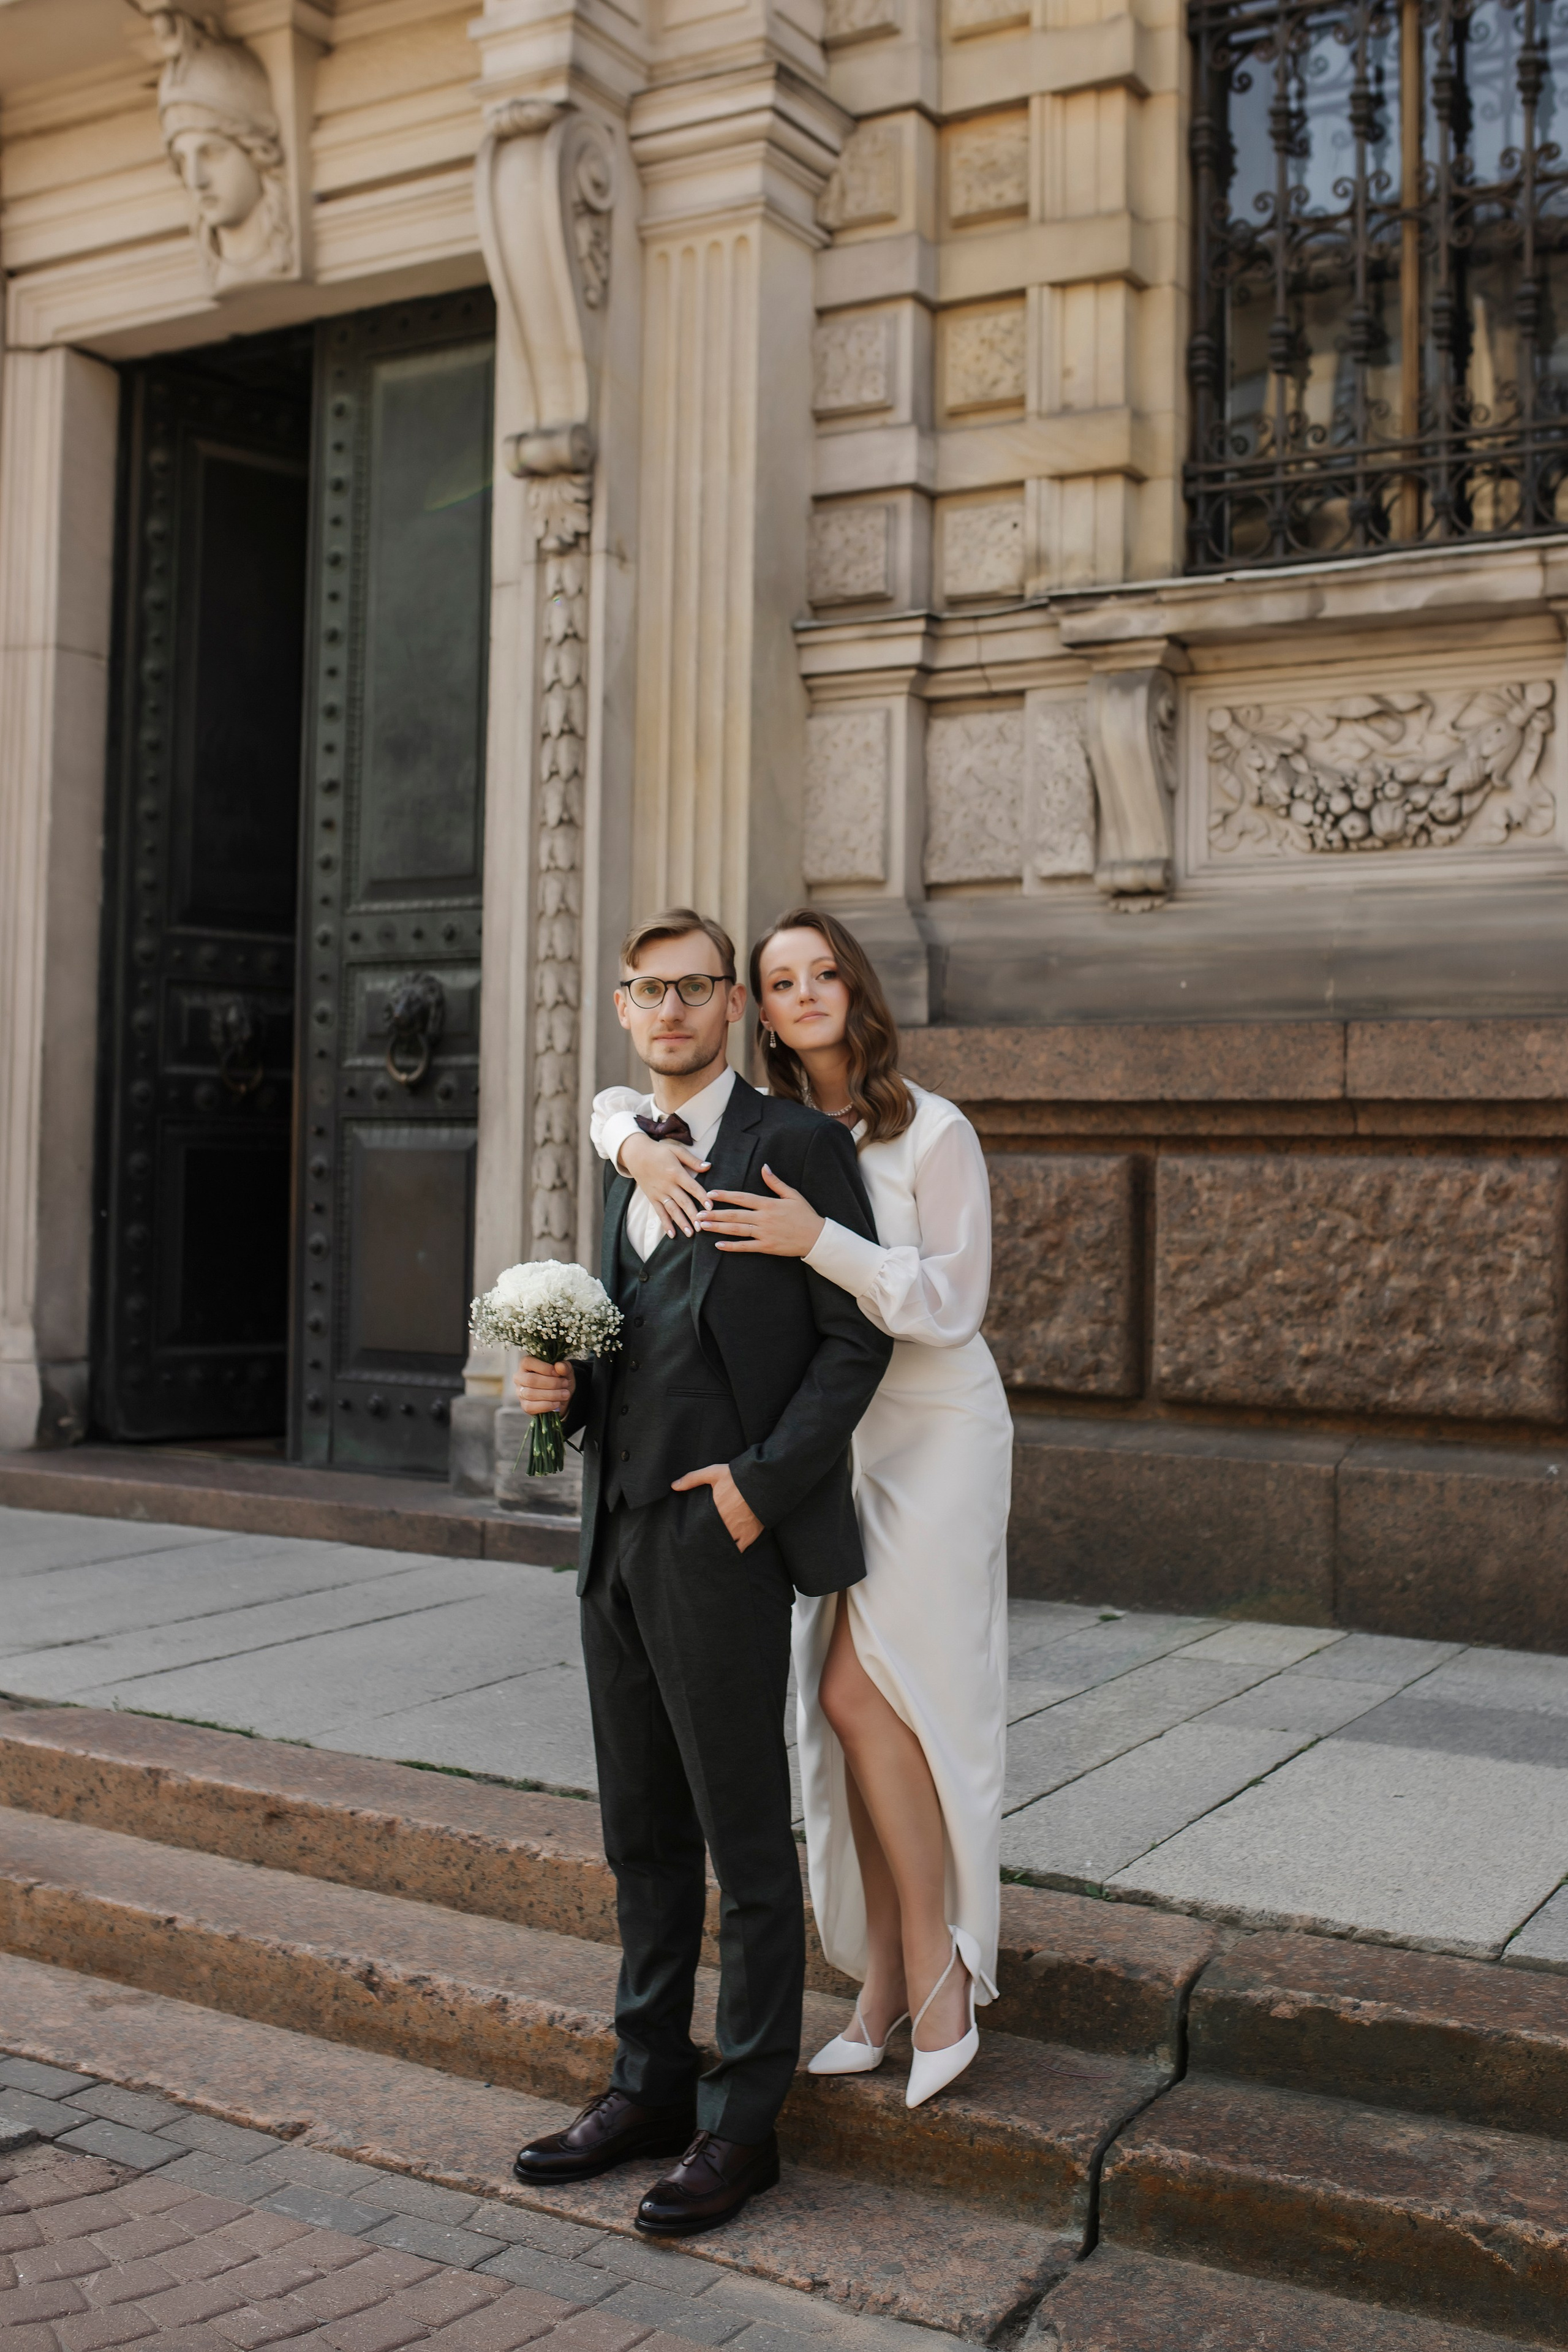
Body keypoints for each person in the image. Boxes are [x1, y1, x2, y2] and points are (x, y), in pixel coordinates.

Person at [511, 908, 892, 2237]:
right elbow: (629, 1331)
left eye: (693, 989)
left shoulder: (792, 1146)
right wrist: (555, 1387)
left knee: (743, 1833)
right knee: (641, 1833)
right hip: (611, 1532)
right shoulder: (626, 1155)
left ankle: (743, 2123)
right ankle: (646, 2084)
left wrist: (756, 1487)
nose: (669, 1011)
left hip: (716, 1537)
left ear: (730, 1007)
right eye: (647, 991)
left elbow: (855, 1341)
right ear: (621, 1009)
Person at [592, 909, 1009, 2110]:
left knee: (890, 1700)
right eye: (784, 980)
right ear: (754, 1010)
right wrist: (627, 1143)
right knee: (838, 1724)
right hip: (834, 1441)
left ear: (854, 990)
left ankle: (939, 1978)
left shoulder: (929, 1129)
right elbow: (614, 1107)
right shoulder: (769, 1128)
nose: (808, 992)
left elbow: (951, 1302)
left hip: (932, 1432)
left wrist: (816, 1239)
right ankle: (878, 1986)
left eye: (826, 972)